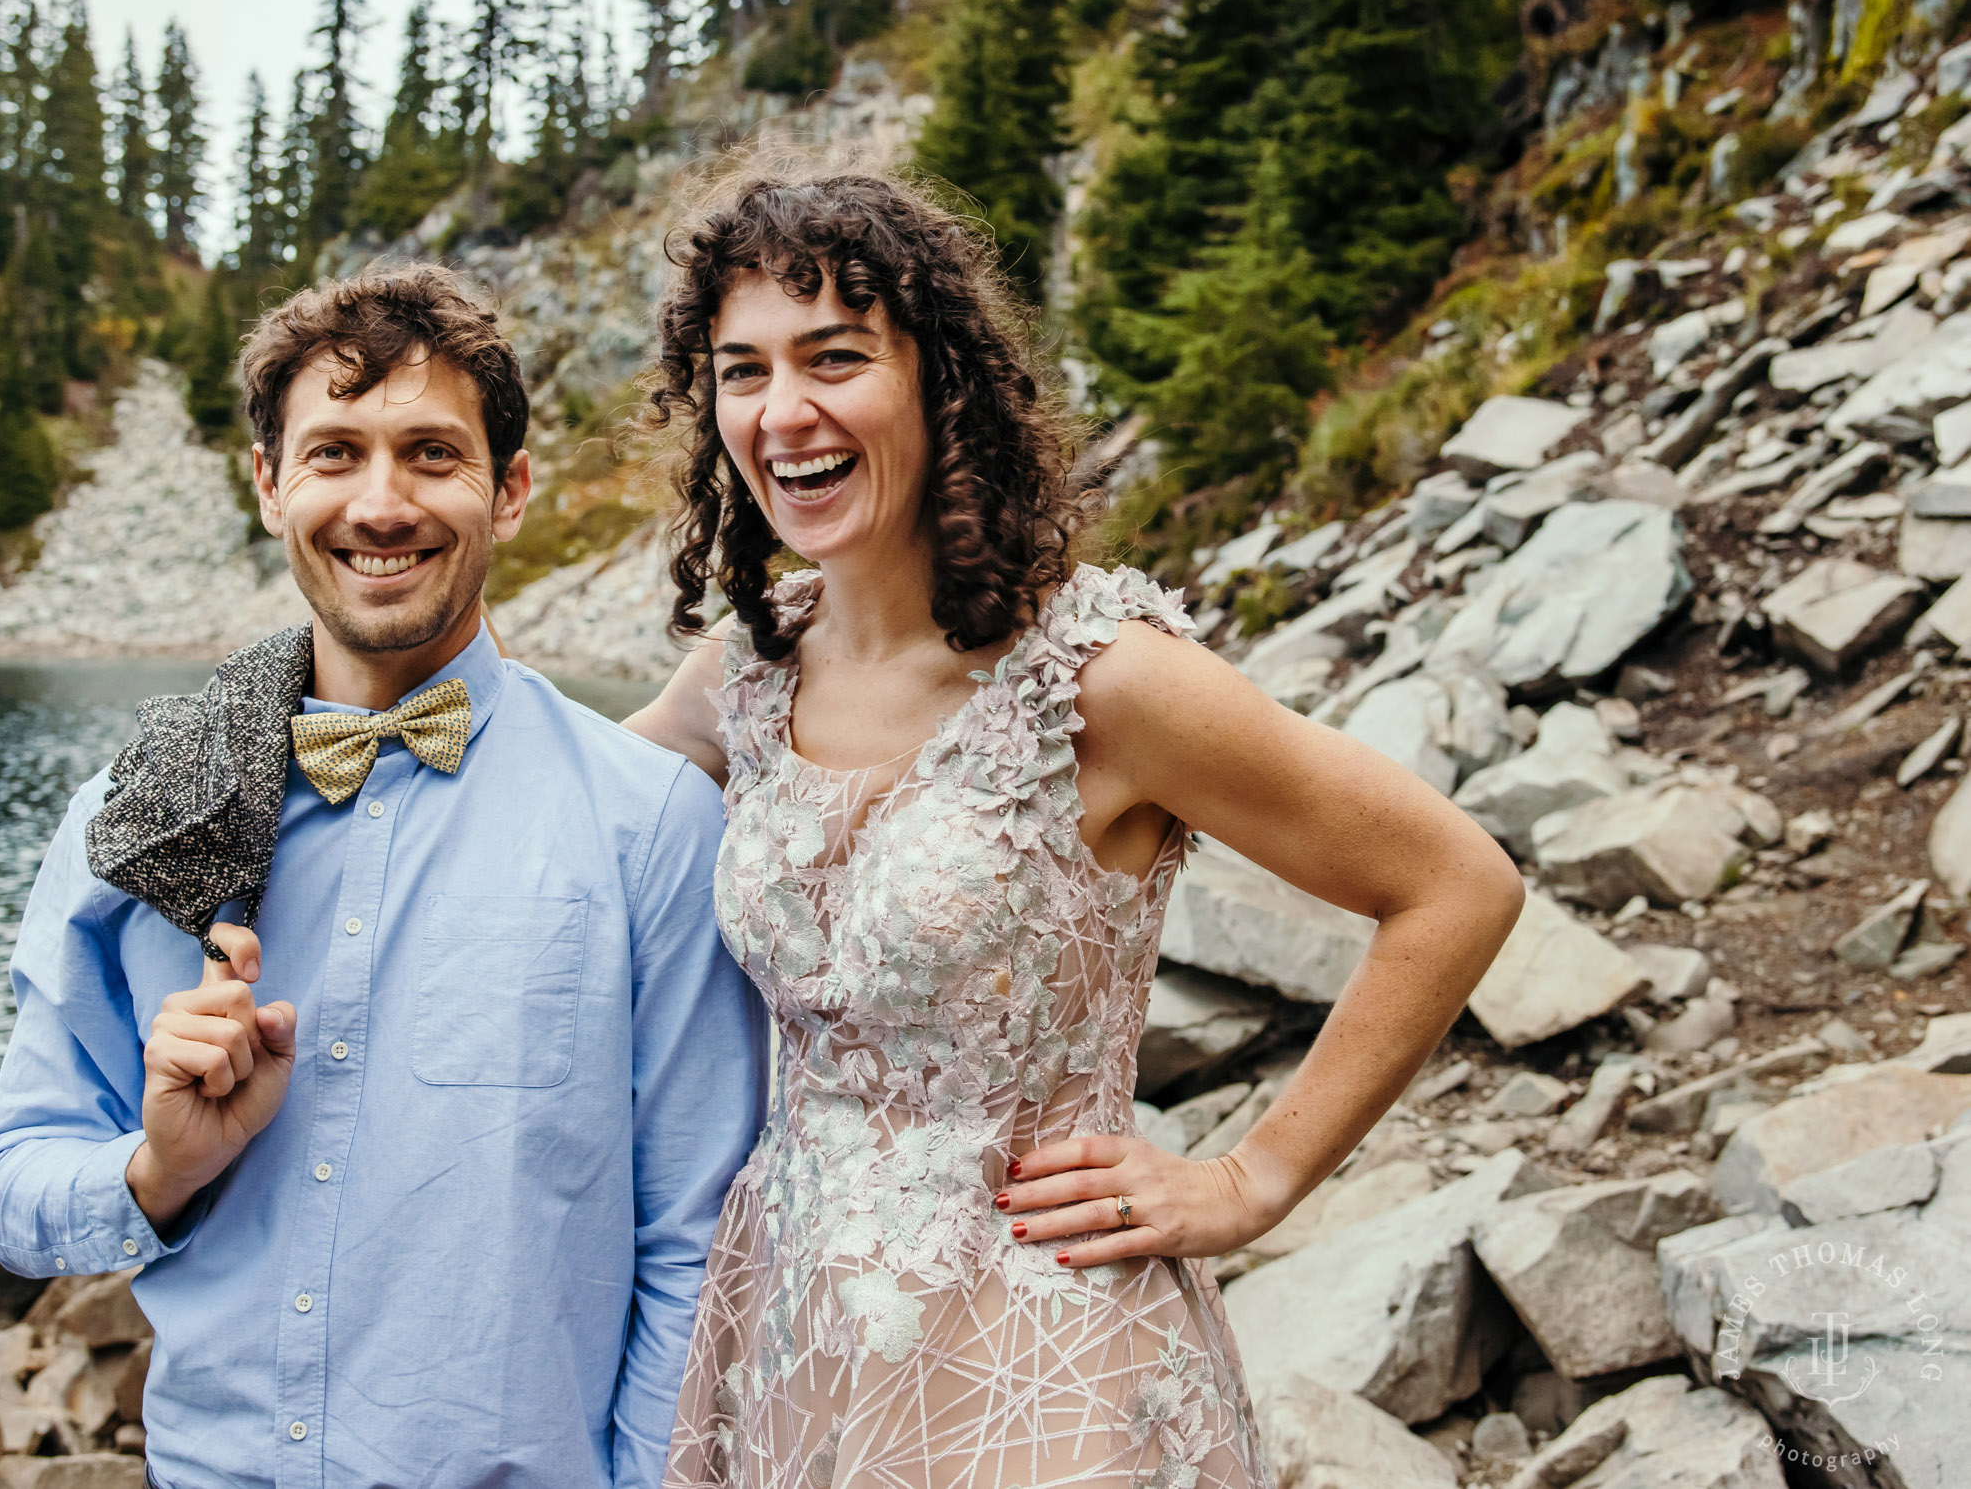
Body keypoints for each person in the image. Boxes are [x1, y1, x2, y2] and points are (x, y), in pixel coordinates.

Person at [623, 167, 1525, 1489]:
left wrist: (1253, 1178)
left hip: (1045, 1364)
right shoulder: (741, 675)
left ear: (940, 381)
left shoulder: (1102, 678)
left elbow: (1456, 883)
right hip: (791, 1344)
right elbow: (546, 822)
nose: (783, 410)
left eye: (834, 357)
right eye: (742, 371)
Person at [0, 263, 768, 1489]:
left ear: (509, 490)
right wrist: (160, 1168)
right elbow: (13, 1183)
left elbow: (695, 1249)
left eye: (432, 454)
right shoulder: (135, 821)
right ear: (269, 484)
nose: (381, 504)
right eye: (334, 453)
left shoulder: (649, 823)